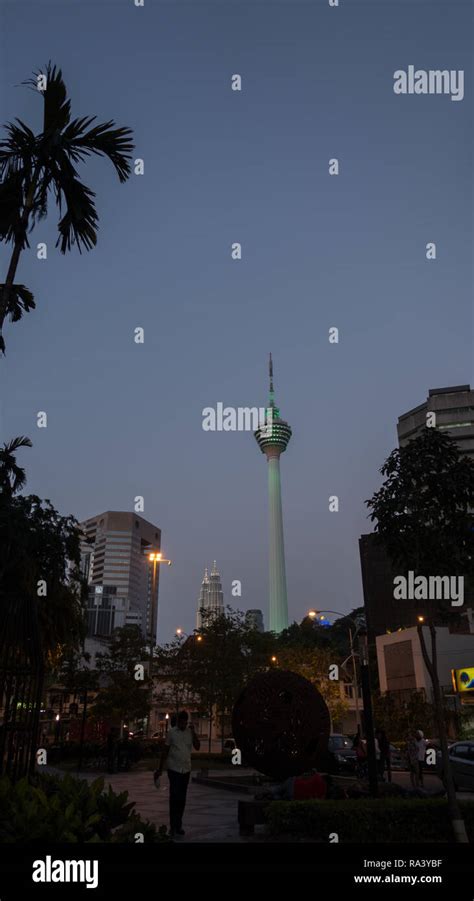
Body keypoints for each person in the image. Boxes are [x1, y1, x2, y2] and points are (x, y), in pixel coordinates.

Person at [155, 710, 200, 837]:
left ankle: (179, 825)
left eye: (185, 722)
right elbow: (165, 751)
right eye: (181, 721)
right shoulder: (171, 733)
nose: (183, 724)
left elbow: (197, 747)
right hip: (173, 769)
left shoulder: (189, 732)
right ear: (178, 721)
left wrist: (194, 733)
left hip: (186, 769)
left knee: (182, 799)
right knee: (174, 797)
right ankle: (173, 826)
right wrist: (160, 769)